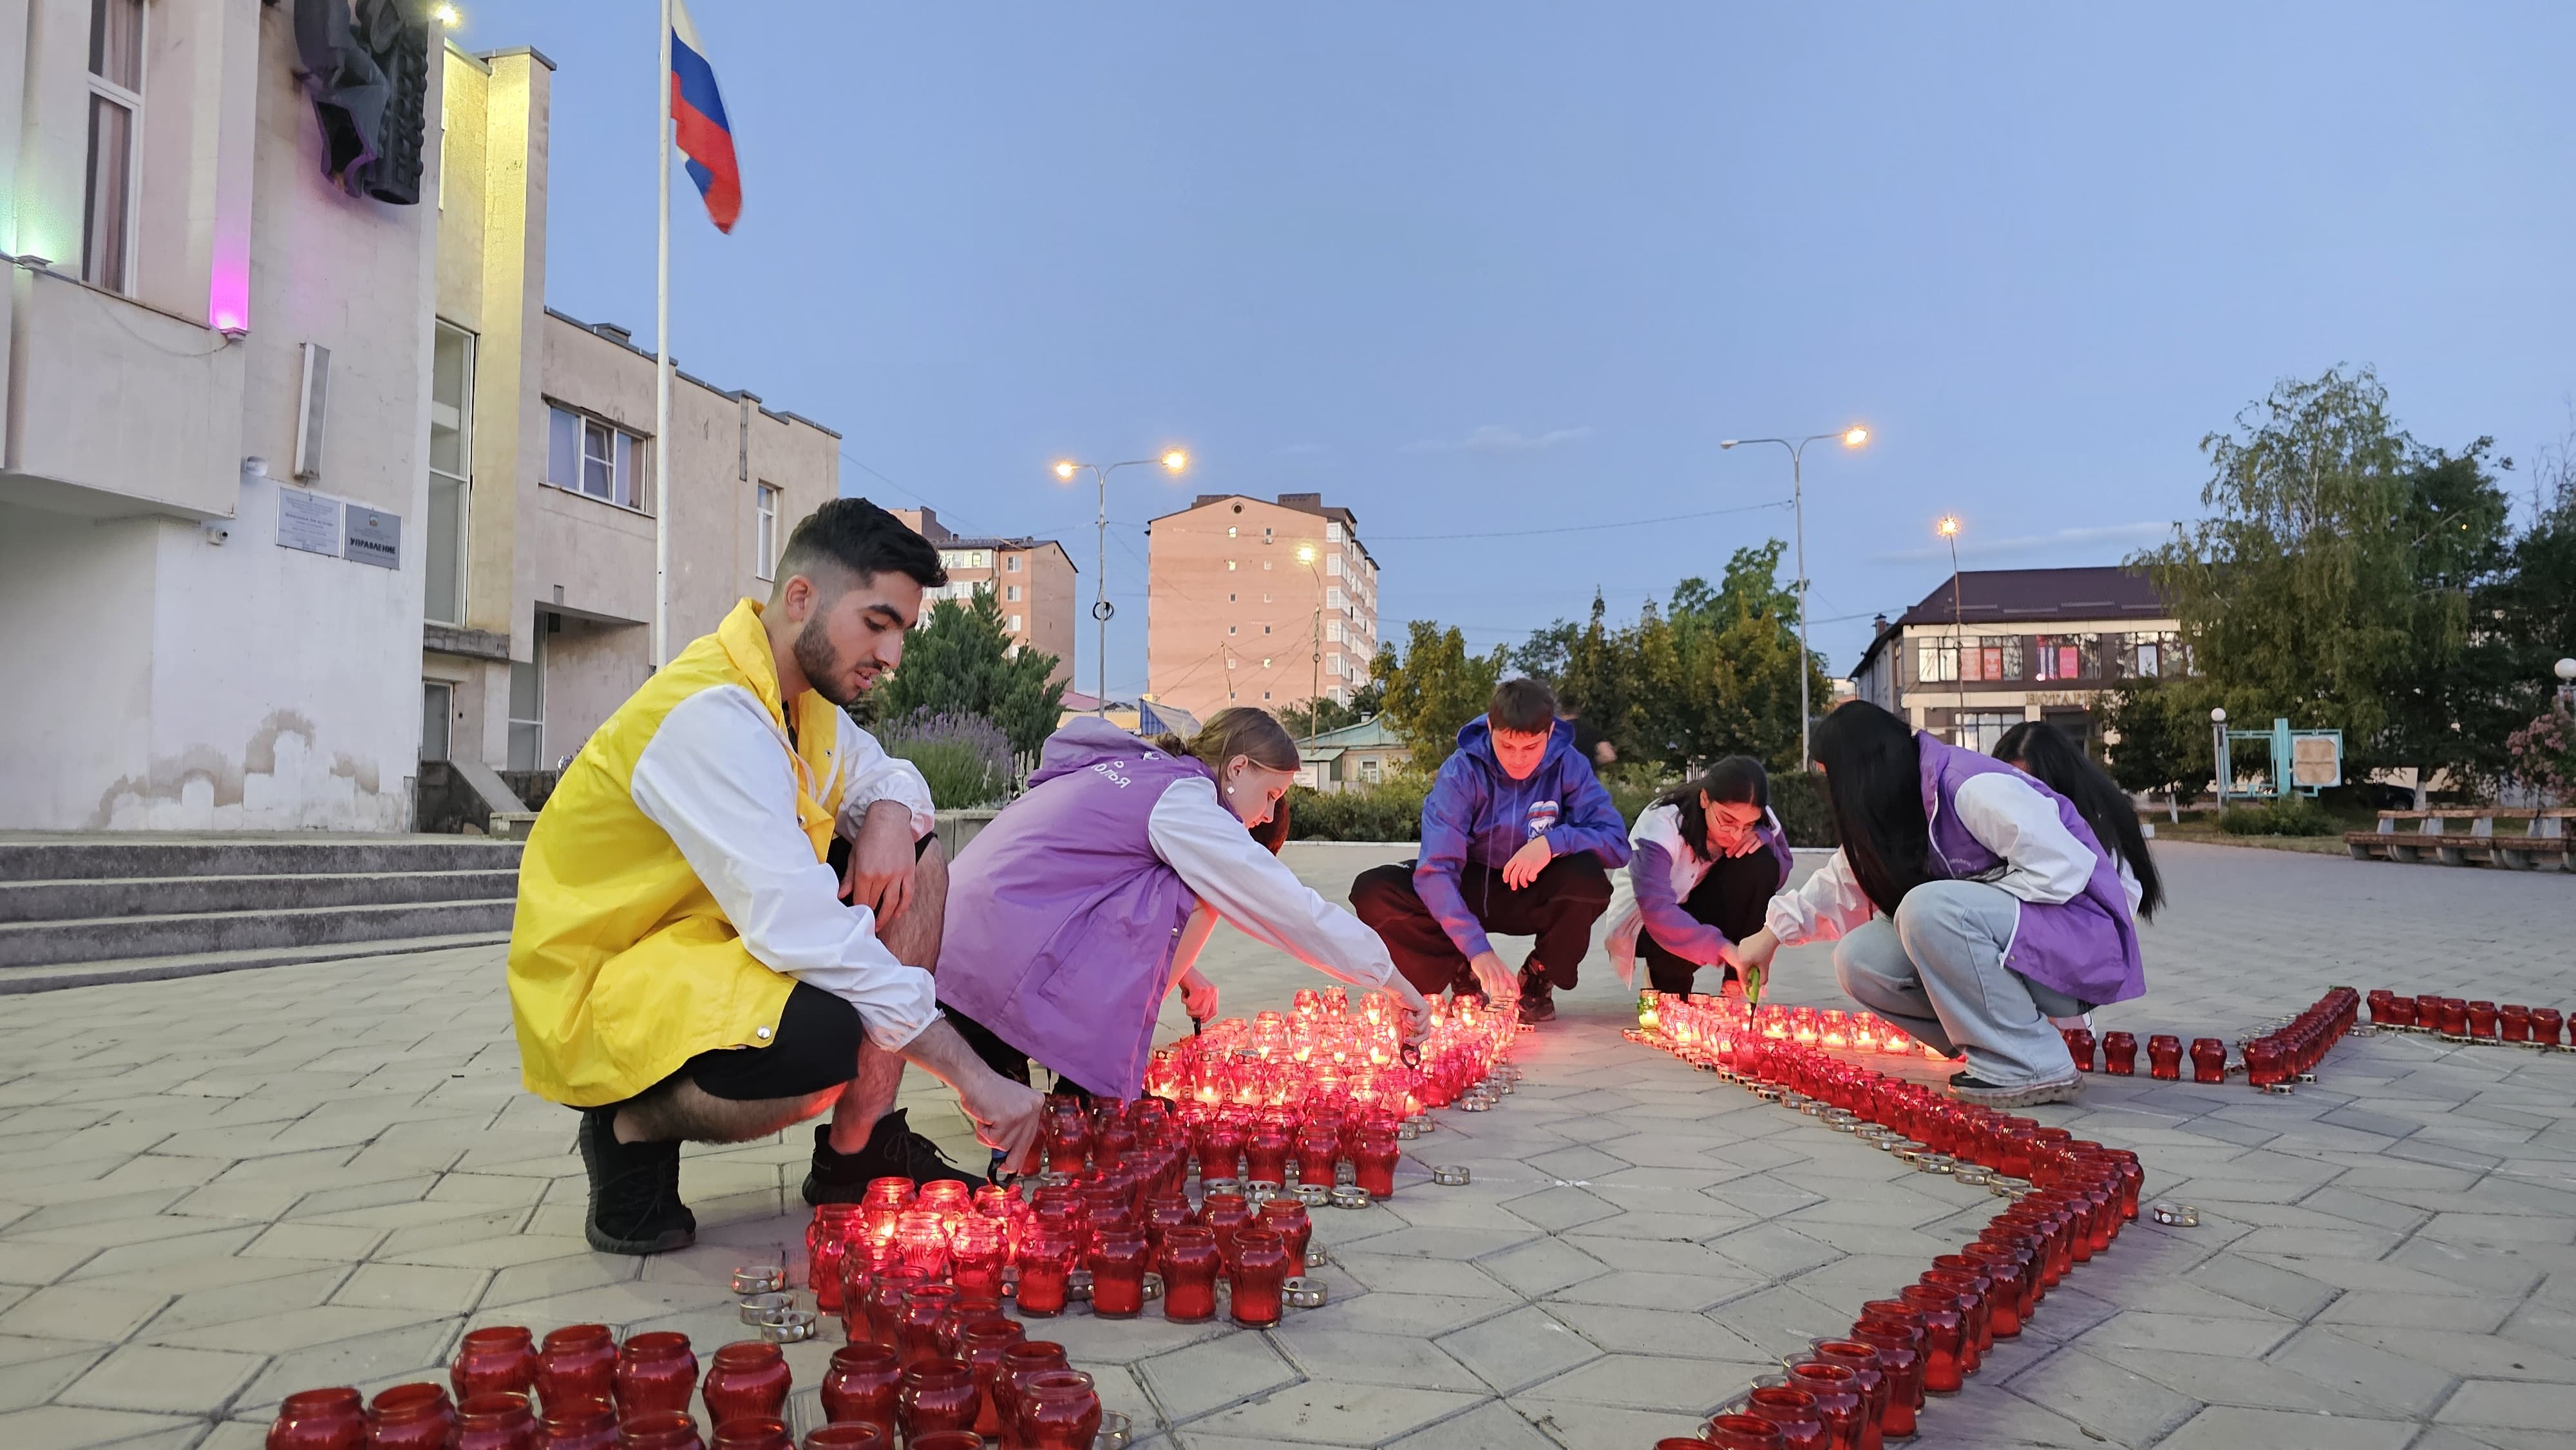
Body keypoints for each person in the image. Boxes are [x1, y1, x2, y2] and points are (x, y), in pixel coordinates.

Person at [509, 500, 1045, 1256]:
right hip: (610, 982)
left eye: (901, 633)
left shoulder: (801, 702)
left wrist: (892, 807)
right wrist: (972, 1076)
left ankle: (858, 1154)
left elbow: (888, 773)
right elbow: (799, 926)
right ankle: (627, 1123)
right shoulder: (708, 713)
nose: (891, 655)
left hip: (707, 948)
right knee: (821, 1043)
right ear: (801, 599)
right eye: (877, 622)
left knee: (919, 863)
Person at [934, 708, 1431, 1107]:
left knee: (1184, 882)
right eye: (1271, 794)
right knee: (1208, 892)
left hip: (960, 941)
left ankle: (1021, 1062)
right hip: (989, 967)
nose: (1266, 816)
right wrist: (1392, 981)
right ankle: (1080, 1085)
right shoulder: (1184, 800)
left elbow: (1096, 882)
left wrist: (1189, 972)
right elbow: (1283, 906)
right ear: (1237, 768)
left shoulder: (1142, 772)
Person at [1723, 701, 2145, 1109]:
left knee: (1926, 908)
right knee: (1859, 959)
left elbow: (2064, 868)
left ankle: (2035, 1061)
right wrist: (1769, 938)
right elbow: (1841, 881)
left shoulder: (1969, 786)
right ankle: (1989, 1045)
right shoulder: (1903, 806)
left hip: (2079, 955)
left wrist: (1964, 894)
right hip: (2015, 950)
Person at [1350, 678, 1631, 1024]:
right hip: (1468, 885)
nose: (1518, 760)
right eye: (1507, 746)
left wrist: (1552, 844)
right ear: (1490, 728)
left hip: (1532, 887)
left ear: (1550, 733)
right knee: (1374, 890)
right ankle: (1463, 972)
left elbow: (1617, 843)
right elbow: (1436, 870)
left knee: (1588, 879)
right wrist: (1477, 950)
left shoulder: (1568, 765)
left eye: (1531, 748)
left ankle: (1538, 976)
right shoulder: (1461, 771)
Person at [1605, 757, 1794, 997]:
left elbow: (1777, 873)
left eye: (1748, 825)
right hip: (1645, 922)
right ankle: (1663, 976)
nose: (1737, 834)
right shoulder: (1661, 825)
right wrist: (1722, 947)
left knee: (1760, 862)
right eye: (1727, 821)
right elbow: (1657, 910)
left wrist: (1761, 836)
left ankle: (1735, 984)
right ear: (1705, 799)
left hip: (1697, 899)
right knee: (1675, 999)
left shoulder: (1754, 815)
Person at [1992, 720, 2163, 920]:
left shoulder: (2096, 836)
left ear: (2058, 781)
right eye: (2013, 788)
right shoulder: (1993, 824)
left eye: (2033, 788)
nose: (2023, 800)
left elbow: (2118, 911)